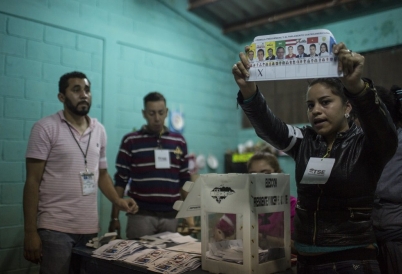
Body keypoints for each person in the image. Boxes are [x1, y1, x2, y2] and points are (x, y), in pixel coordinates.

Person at [232, 43, 397, 273]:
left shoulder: (366, 145)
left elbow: (385, 132)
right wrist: (250, 93)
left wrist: (358, 88)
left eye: (325, 102)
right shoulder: (305, 141)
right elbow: (271, 129)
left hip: (351, 262)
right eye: (310, 105)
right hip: (306, 262)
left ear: (347, 106)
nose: (316, 110)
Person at [23, 71, 137, 274]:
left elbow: (101, 175)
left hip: (90, 229)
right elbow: (32, 181)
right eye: (76, 90)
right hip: (54, 229)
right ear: (61, 96)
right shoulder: (45, 128)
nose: (84, 94)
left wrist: (117, 201)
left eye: (87, 89)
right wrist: (30, 231)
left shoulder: (99, 130)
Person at [110, 92, 191, 239]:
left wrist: (189, 213)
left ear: (166, 112)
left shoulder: (179, 142)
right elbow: (120, 180)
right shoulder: (131, 141)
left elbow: (184, 179)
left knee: (169, 260)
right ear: (144, 113)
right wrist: (114, 218)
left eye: (161, 112)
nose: (157, 118)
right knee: (136, 259)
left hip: (171, 216)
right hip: (140, 215)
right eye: (152, 113)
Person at [371, 85, 402, 274]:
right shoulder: (372, 144)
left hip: (394, 238)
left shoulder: (396, 144)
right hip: (375, 238)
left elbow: (382, 190)